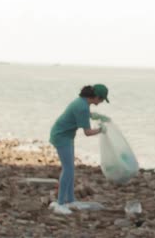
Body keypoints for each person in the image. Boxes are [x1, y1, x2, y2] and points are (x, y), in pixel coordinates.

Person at [48, 84, 109, 215]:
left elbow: (81, 114)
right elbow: (87, 132)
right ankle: (60, 203)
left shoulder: (82, 103)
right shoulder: (82, 107)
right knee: (68, 169)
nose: (101, 102)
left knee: (70, 168)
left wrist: (94, 115)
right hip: (61, 137)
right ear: (96, 97)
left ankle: (70, 200)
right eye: (102, 99)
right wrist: (101, 130)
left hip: (66, 136)